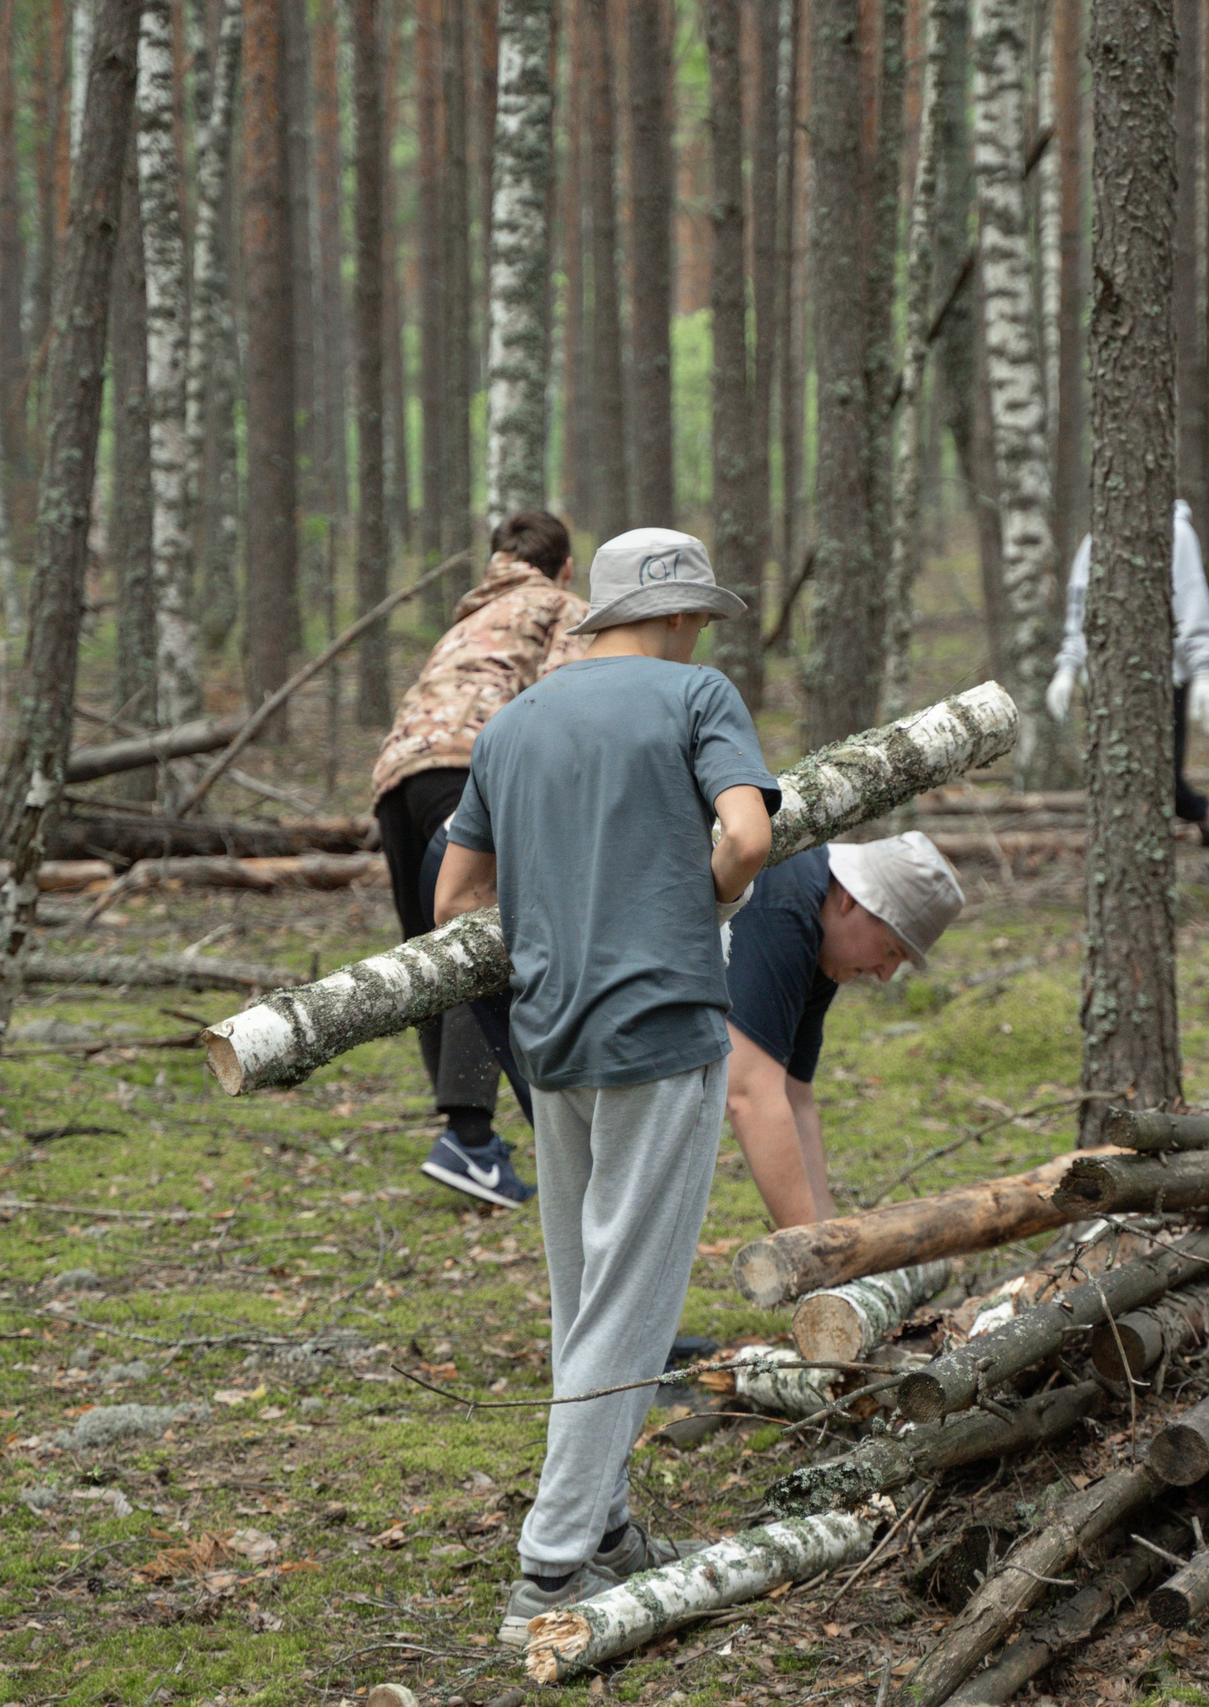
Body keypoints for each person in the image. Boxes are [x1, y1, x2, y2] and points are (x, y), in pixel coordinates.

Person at [434, 527, 775, 1646]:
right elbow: (748, 833)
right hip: (666, 1023)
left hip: (551, 1035)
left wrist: (556, 930)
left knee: (585, 1289)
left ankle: (611, 1527)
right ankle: (549, 1566)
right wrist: (702, 904)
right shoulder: (695, 697)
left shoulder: (517, 721)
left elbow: (453, 897)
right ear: (679, 617)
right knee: (632, 1302)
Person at [372, 510, 586, 1207]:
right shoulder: (559, 606)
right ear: (566, 567)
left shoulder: (468, 617)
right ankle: (468, 1140)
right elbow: (572, 698)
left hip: (397, 776)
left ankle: (468, 1140)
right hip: (472, 767)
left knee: (434, 953)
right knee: (477, 934)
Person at [723, 831, 966, 1227]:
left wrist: (830, 1237)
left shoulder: (826, 943)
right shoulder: (786, 896)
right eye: (890, 950)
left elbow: (795, 1096)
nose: (886, 975)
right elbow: (748, 1095)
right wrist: (814, 1255)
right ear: (852, 898)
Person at [1046, 499, 1209, 854]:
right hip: (1106, 686)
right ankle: (1120, 856)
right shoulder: (1095, 540)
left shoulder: (1176, 534)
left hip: (1166, 683)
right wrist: (1067, 668)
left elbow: (1192, 602)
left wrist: (1204, 672)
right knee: (1110, 777)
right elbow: (1080, 608)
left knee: (1162, 782)